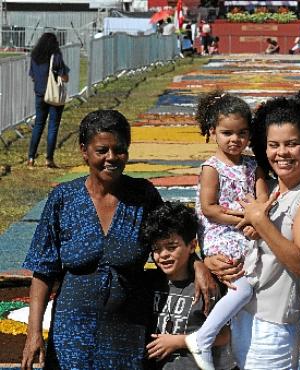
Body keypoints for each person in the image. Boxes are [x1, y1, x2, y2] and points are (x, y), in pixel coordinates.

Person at [20, 110, 217, 370]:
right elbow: (44, 271)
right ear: (84, 150)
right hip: (70, 336)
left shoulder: (142, 195)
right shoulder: (63, 198)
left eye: (120, 149)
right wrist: (34, 333)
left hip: (127, 335)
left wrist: (197, 263)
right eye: (102, 150)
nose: (111, 158)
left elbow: (173, 236)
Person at [203, 97, 300, 369]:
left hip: (273, 326)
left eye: (292, 144)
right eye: (273, 145)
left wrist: (259, 221)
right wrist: (209, 262)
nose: (281, 153)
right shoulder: (272, 188)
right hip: (245, 316)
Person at [183, 91, 268, 370]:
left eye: (242, 133)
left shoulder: (254, 166)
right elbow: (209, 208)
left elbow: (264, 202)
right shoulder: (212, 167)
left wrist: (257, 219)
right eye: (227, 133)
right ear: (212, 132)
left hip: (249, 234)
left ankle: (238, 354)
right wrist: (245, 219)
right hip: (223, 235)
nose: (235, 140)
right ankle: (203, 338)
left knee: (254, 291)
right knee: (242, 290)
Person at [142, 202, 231, 370]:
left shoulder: (208, 286)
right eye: (156, 249)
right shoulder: (149, 282)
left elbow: (225, 335)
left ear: (191, 246)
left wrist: (180, 342)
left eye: (171, 247)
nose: (163, 255)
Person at [27, 32, 69, 169]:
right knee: (53, 127)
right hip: (53, 95)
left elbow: (32, 75)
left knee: (38, 125)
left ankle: (31, 157)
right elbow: (64, 77)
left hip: (39, 94)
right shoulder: (55, 56)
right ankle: (49, 159)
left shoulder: (35, 56)